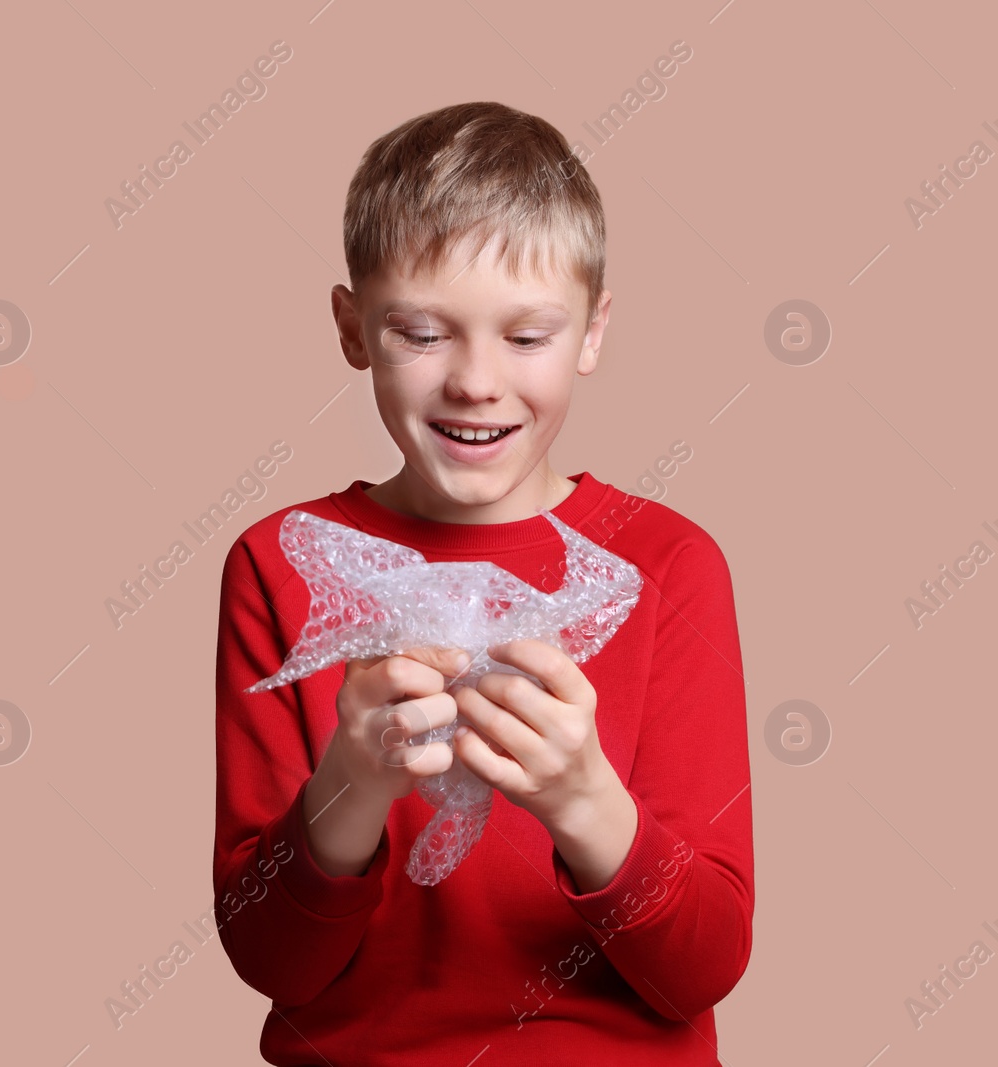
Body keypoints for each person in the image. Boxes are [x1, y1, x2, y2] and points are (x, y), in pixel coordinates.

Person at [212, 101, 753, 1065]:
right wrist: (354, 781)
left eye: (527, 337)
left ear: (592, 332)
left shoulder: (668, 565)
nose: (475, 381)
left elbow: (703, 965)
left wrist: (585, 797)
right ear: (352, 328)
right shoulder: (281, 563)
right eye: (422, 332)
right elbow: (272, 961)